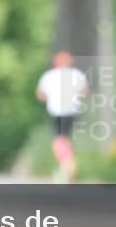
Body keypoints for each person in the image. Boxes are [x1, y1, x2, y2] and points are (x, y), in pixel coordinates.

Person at [35, 51, 89, 183]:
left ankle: (68, 163)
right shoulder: (77, 74)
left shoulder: (49, 76)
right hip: (73, 111)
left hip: (57, 111)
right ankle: (66, 166)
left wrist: (51, 98)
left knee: (60, 140)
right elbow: (84, 91)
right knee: (66, 138)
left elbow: (40, 95)